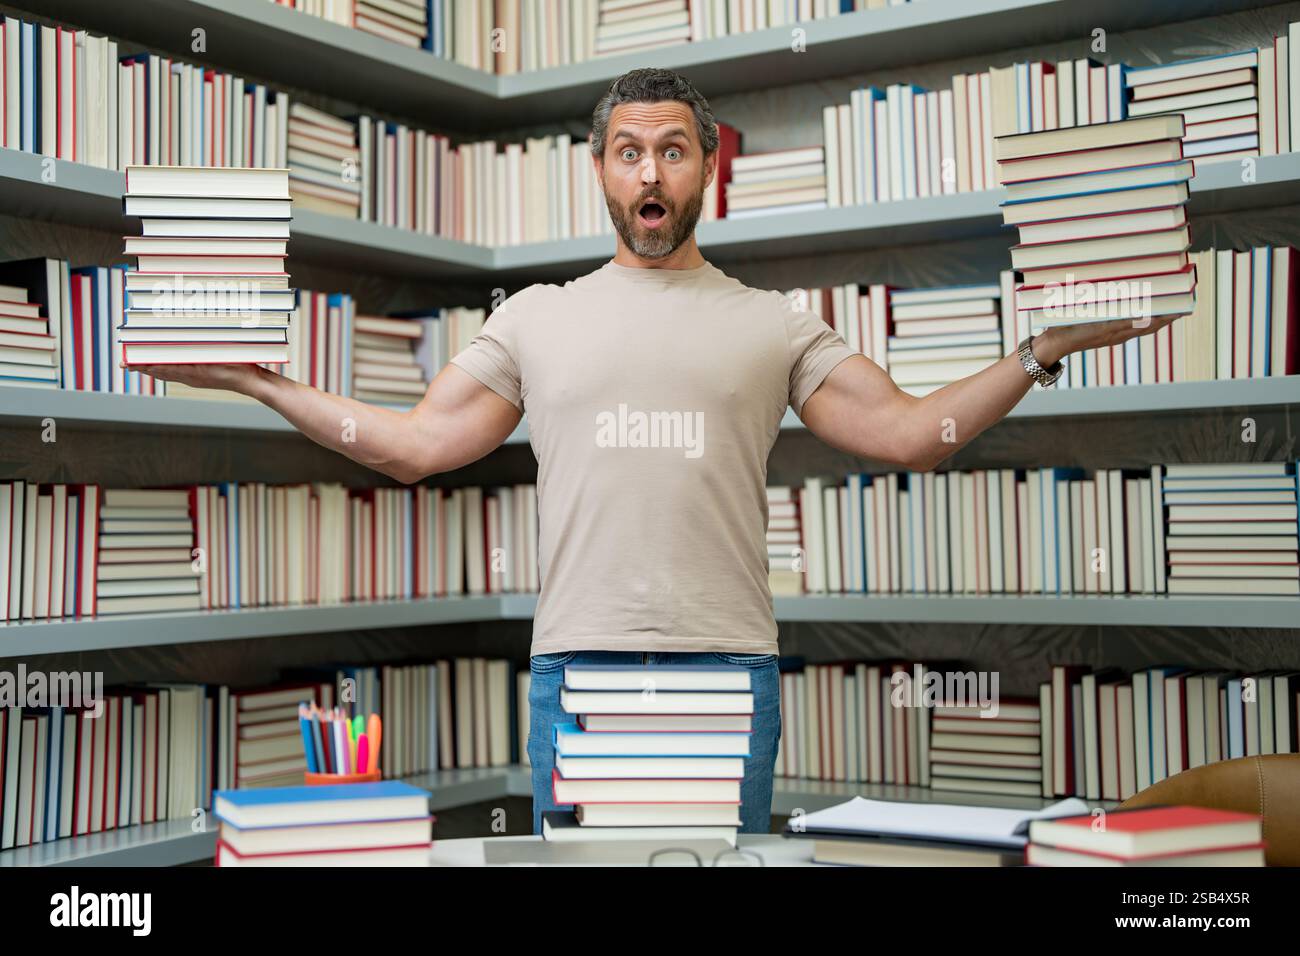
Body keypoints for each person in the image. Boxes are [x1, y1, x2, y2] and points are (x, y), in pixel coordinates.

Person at [130, 68, 1182, 835]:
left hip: (729, 669)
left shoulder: (774, 323)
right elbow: (412, 446)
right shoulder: (535, 317)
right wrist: (259, 383)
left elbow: (915, 435)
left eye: (671, 149)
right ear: (599, 169)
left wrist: (1042, 349)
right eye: (628, 149)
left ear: (705, 167)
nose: (649, 170)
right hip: (575, 669)